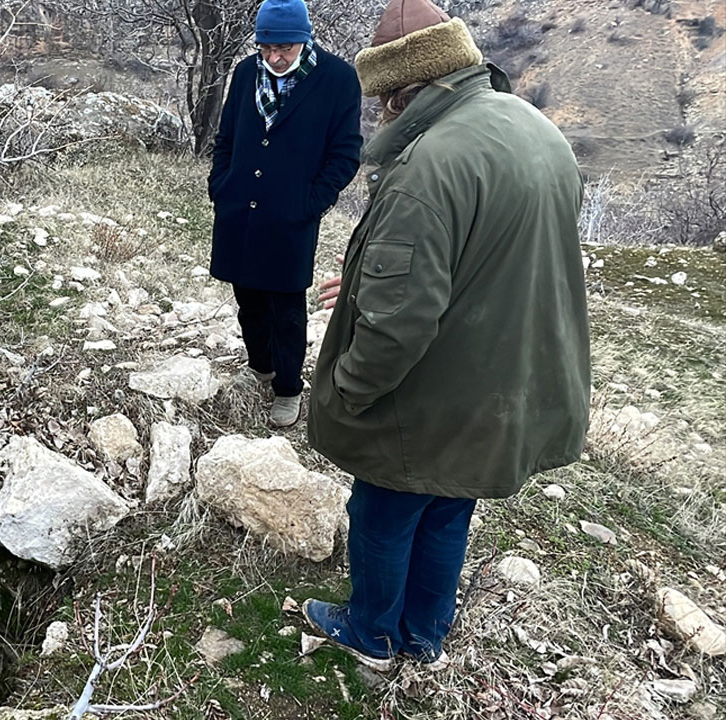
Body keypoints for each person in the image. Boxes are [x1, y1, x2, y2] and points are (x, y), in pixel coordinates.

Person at [302, 0, 591, 671]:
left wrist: (348, 389)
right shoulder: (531, 127)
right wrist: (376, 279)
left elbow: (399, 326)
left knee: (383, 507)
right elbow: (494, 253)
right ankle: (425, 636)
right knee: (448, 506)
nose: (380, 115)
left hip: (435, 392)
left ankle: (370, 634)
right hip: (504, 381)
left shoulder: (429, 165)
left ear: (407, 89)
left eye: (383, 99)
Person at [208, 0, 363, 428]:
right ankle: (260, 366)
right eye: (266, 47)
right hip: (239, 209)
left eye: (286, 48)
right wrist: (220, 187)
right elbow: (226, 137)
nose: (275, 57)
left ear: (305, 38)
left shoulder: (337, 79)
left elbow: (346, 153)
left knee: (287, 308)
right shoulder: (244, 73)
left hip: (291, 217)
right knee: (247, 299)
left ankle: (289, 388)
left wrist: (310, 203)